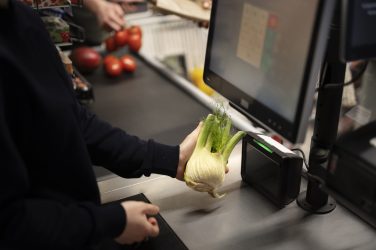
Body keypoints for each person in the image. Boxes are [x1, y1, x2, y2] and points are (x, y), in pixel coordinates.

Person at [0, 0, 201, 249]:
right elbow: (9, 224)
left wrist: (170, 158)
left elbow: (71, 120)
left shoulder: (22, 18)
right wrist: (109, 223)